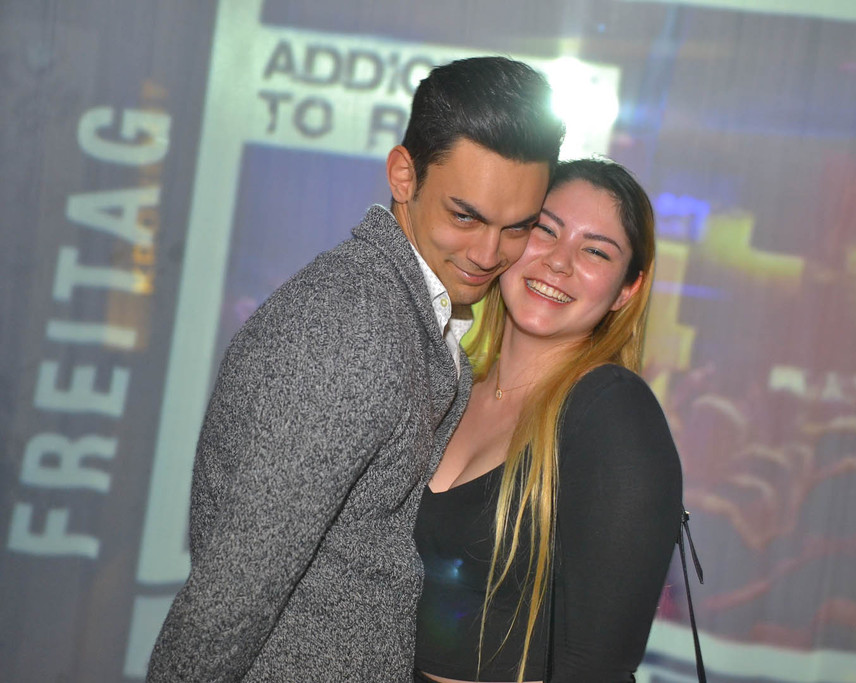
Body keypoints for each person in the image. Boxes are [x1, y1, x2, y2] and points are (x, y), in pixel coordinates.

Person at [146, 56, 564, 683]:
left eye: (517, 228)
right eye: (465, 216)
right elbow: (229, 597)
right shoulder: (353, 326)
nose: (487, 253)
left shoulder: (402, 308)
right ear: (404, 175)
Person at [414, 158, 682, 683]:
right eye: (544, 230)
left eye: (596, 251)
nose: (559, 262)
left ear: (626, 290)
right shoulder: (446, 386)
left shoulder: (613, 414)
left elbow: (595, 670)